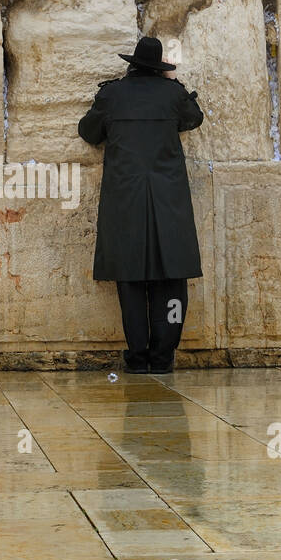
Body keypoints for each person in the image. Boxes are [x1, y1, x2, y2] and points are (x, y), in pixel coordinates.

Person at [78, 35, 204, 374]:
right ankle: (163, 357)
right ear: (159, 67)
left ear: (132, 64)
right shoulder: (172, 95)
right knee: (172, 277)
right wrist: (174, 84)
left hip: (126, 199)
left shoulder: (112, 94)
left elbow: (89, 132)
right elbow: (194, 118)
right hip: (168, 200)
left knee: (130, 278)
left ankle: (137, 357)